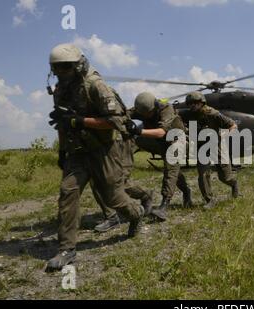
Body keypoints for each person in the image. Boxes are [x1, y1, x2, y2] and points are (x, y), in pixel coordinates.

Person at [46, 43, 145, 271]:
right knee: (67, 193)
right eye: (57, 69)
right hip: (77, 152)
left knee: (113, 198)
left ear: (78, 65)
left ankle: (136, 213)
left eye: (65, 68)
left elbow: (115, 121)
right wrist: (62, 151)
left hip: (104, 150)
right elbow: (63, 122)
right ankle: (67, 249)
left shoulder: (95, 85)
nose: (61, 73)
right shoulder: (61, 90)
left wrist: (80, 121)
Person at [126, 92, 193, 221]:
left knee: (170, 169)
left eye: (149, 113)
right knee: (174, 172)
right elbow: (125, 114)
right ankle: (186, 191)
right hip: (163, 142)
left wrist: (138, 131)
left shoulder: (166, 109)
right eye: (143, 114)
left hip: (176, 139)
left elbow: (161, 132)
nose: (146, 116)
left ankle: (164, 205)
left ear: (155, 106)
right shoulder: (141, 109)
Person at [182, 92, 239, 209]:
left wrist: (224, 136)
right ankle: (209, 199)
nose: (192, 106)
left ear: (201, 103)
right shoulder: (189, 114)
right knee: (203, 174)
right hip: (201, 147)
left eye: (194, 103)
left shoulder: (213, 114)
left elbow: (233, 125)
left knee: (225, 177)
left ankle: (234, 184)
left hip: (216, 146)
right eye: (190, 104)